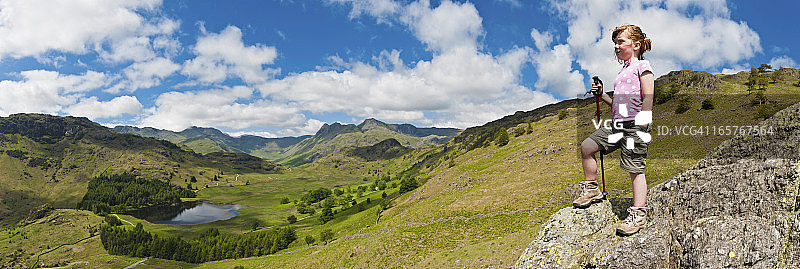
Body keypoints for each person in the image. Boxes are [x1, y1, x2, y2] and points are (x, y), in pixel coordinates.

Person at [572, 24, 654, 236]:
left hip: (635, 123)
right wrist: (602, 96)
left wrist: (645, 117)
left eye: (620, 42)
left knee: (634, 168)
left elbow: (648, 94)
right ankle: (591, 188)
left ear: (636, 45)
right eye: (615, 43)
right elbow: (617, 105)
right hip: (618, 124)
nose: (616, 46)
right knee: (587, 146)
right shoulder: (623, 71)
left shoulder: (642, 66)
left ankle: (638, 213)